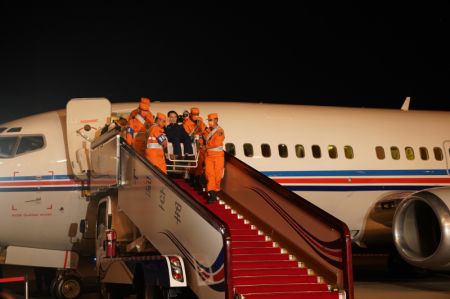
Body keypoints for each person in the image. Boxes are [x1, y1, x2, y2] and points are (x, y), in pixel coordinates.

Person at [203, 113, 225, 203]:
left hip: (218, 156)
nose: (209, 122)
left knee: (217, 175)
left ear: (216, 120)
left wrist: (206, 146)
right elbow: (204, 137)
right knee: (209, 174)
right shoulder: (208, 131)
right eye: (209, 121)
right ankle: (212, 193)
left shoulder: (220, 131)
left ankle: (215, 192)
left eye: (211, 120)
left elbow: (217, 143)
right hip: (209, 156)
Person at [183, 107, 206, 189]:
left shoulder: (201, 121)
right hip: (192, 145)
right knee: (194, 164)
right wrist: (197, 127)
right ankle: (193, 179)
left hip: (200, 145)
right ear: (190, 115)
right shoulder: (186, 123)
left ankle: (197, 180)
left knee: (200, 163)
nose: (196, 116)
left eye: (197, 114)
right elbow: (189, 136)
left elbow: (204, 133)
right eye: (194, 115)